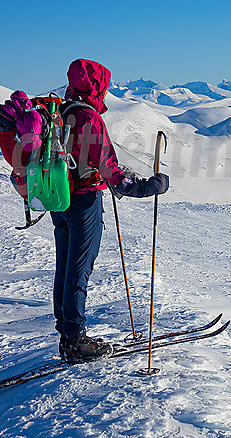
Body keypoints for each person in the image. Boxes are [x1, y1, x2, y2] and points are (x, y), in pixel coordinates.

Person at [53, 58, 168, 361]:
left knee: (65, 267)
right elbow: (113, 173)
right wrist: (149, 187)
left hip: (59, 198)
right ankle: (76, 340)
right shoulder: (90, 120)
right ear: (97, 87)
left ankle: (67, 335)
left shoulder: (62, 112)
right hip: (84, 202)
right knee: (78, 270)